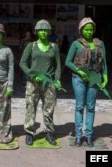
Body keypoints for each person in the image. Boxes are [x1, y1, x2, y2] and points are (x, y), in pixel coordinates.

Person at [65, 17, 108, 147]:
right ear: (81, 30)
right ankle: (78, 135)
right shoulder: (76, 44)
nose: (89, 32)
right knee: (79, 106)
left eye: (91, 30)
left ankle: (89, 135)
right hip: (79, 78)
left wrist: (105, 76)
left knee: (90, 107)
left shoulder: (99, 43)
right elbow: (68, 62)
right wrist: (80, 72)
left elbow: (104, 63)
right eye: (86, 30)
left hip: (94, 78)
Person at [19, 19, 62, 146]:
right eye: (40, 30)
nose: (43, 32)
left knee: (48, 109)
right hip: (33, 83)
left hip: (49, 83)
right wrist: (32, 75)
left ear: (49, 31)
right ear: (36, 32)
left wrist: (57, 80)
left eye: (45, 30)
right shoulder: (30, 46)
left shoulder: (54, 47)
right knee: (30, 108)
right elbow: (22, 63)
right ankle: (30, 133)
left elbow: (58, 65)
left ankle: (49, 132)